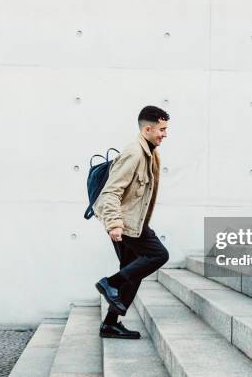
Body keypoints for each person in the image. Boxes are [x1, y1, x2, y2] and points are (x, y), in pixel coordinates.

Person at [93, 106, 170, 339]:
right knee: (159, 254)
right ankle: (110, 283)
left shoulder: (149, 150)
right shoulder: (135, 153)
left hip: (133, 222)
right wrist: (115, 223)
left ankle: (110, 324)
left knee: (132, 270)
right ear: (147, 129)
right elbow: (111, 192)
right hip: (125, 223)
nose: (165, 134)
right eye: (162, 129)